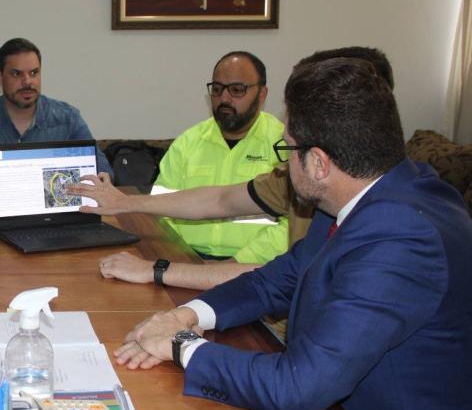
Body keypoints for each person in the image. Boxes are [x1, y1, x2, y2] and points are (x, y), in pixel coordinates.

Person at [113, 58, 472, 410]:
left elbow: (296, 388)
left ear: (319, 163)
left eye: (290, 149)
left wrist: (181, 348)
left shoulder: (402, 237)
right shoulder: (358, 198)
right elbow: (277, 280)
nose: (285, 161)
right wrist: (187, 313)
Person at [70, 46, 394, 292]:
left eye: (290, 147)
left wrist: (191, 345)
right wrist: (128, 207)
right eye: (218, 89)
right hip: (206, 269)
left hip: (251, 274)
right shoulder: (294, 180)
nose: (225, 98)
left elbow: (310, 357)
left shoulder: (394, 235)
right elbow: (221, 200)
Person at [149, 51, 287, 265]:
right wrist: (184, 262)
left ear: (262, 94)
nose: (224, 98)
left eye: (237, 90)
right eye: (217, 89)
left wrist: (234, 264)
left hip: (259, 268)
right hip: (187, 262)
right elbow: (159, 212)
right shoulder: (188, 142)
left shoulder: (283, 143)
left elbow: (293, 226)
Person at [0, 37, 113, 192]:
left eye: (34, 73)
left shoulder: (67, 118)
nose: (27, 81)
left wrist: (47, 179)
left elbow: (105, 173)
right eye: (16, 74)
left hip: (53, 217)